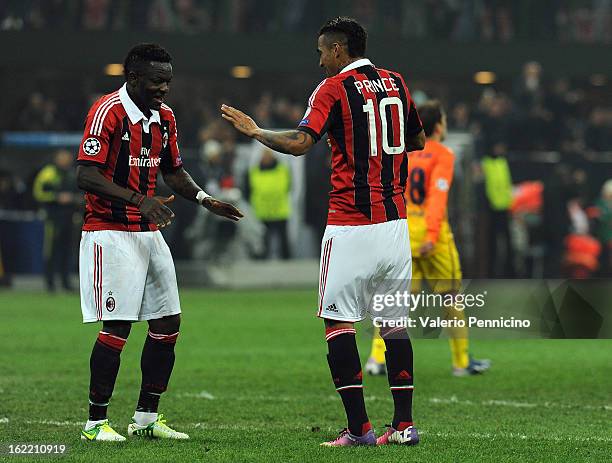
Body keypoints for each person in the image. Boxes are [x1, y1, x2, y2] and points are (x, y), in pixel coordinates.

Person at [222, 17, 425, 447]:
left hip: (352, 224)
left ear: (337, 50)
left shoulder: (333, 89)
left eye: (321, 52)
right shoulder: (396, 82)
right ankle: (404, 426)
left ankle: (359, 430)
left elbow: (300, 143)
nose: (319, 62)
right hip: (395, 224)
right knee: (393, 325)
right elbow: (418, 140)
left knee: (339, 323)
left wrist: (256, 131)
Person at [76, 43, 242, 442]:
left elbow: (174, 172)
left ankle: (147, 417)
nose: (164, 89)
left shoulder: (164, 117)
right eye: (156, 81)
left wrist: (205, 200)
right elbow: (86, 174)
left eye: (167, 81)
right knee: (117, 326)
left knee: (168, 322)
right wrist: (139, 199)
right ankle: (95, 423)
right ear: (133, 78)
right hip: (110, 232)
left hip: (149, 233)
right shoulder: (107, 112)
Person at [366, 101, 491, 377]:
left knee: (393, 301)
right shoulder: (442, 154)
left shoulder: (402, 154)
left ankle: (376, 359)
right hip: (431, 235)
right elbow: (437, 197)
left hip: (402, 231)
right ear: (438, 125)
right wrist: (433, 235)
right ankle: (461, 362)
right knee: (451, 298)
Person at [33, 149, 79, 292]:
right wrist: (57, 197)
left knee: (67, 251)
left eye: (68, 158)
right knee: (51, 251)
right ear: (57, 158)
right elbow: (38, 193)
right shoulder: (49, 173)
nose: (66, 160)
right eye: (64, 158)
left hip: (69, 218)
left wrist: (76, 201)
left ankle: (66, 283)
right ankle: (50, 284)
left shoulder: (72, 173)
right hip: (53, 218)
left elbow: (79, 193)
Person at [246, 148, 292, 259]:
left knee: (283, 241)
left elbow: (288, 186)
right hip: (262, 212)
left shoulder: (283, 170)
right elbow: (248, 190)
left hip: (280, 211)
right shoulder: (253, 172)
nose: (266, 158)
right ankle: (261, 260)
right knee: (263, 241)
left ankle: (287, 262)